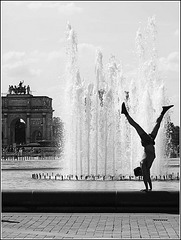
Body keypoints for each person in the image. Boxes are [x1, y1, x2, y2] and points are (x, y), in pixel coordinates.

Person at [121, 102, 174, 192]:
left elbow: (146, 177)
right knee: (157, 125)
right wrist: (150, 189)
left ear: (140, 171)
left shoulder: (143, 164)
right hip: (150, 142)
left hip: (147, 142)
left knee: (136, 125)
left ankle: (125, 113)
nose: (142, 175)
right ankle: (163, 111)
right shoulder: (146, 167)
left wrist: (146, 188)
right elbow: (147, 177)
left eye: (140, 174)